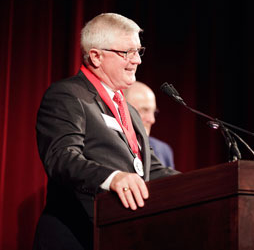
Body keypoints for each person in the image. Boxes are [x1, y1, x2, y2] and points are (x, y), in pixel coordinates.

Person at [33, 13, 179, 250]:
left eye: (138, 51)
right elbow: (62, 158)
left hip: (119, 235)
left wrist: (203, 184)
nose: (137, 61)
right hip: (75, 236)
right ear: (96, 56)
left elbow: (149, 167)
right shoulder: (68, 95)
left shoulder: (128, 109)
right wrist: (113, 178)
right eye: (127, 52)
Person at [124, 81, 175, 169]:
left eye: (154, 112)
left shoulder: (163, 150)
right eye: (144, 110)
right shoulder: (108, 144)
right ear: (122, 108)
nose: (152, 120)